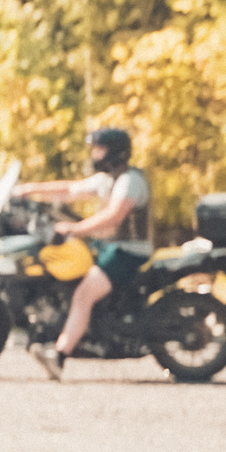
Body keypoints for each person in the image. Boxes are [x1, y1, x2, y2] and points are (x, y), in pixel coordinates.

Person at [13, 127, 151, 380]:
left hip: (127, 253)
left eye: (100, 150)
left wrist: (75, 229)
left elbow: (113, 217)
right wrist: (30, 189)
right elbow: (70, 190)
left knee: (84, 294)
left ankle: (60, 355)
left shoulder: (130, 181)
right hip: (108, 248)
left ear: (115, 153)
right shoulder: (108, 179)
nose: (95, 155)